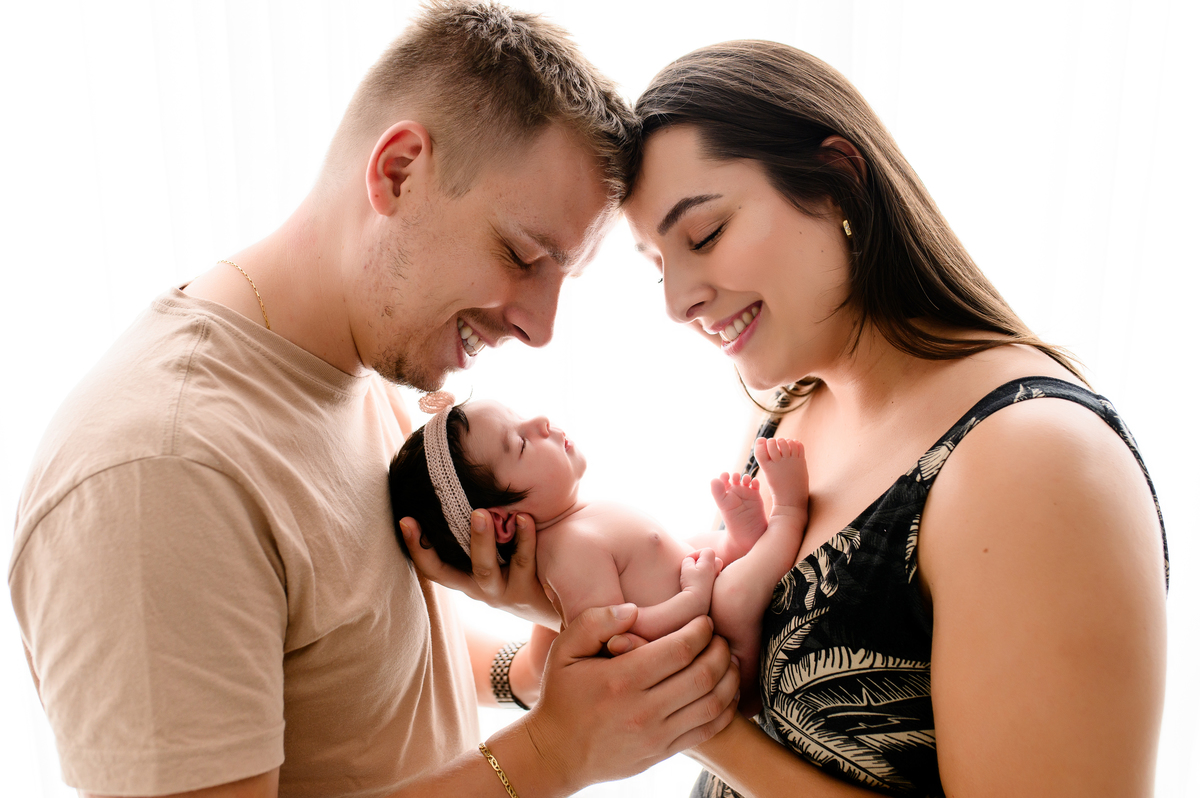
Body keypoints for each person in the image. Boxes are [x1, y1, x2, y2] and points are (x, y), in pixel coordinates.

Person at [7, 4, 740, 798]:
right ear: (398, 172)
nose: (541, 327)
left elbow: (354, 665)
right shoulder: (161, 474)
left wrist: (527, 671)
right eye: (522, 255)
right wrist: (555, 752)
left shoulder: (370, 369)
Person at [613, 39, 1172, 797]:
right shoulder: (788, 413)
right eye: (657, 266)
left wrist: (700, 726)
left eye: (704, 235)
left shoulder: (1033, 459)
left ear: (839, 182)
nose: (679, 302)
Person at [388, 394, 808, 704]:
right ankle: (789, 513)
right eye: (520, 443)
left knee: (698, 545)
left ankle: (739, 542)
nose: (540, 421)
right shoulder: (568, 555)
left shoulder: (577, 521)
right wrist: (694, 597)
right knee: (733, 596)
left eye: (520, 416)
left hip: (698, 596)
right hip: (722, 657)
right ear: (501, 523)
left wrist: (717, 552)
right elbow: (621, 640)